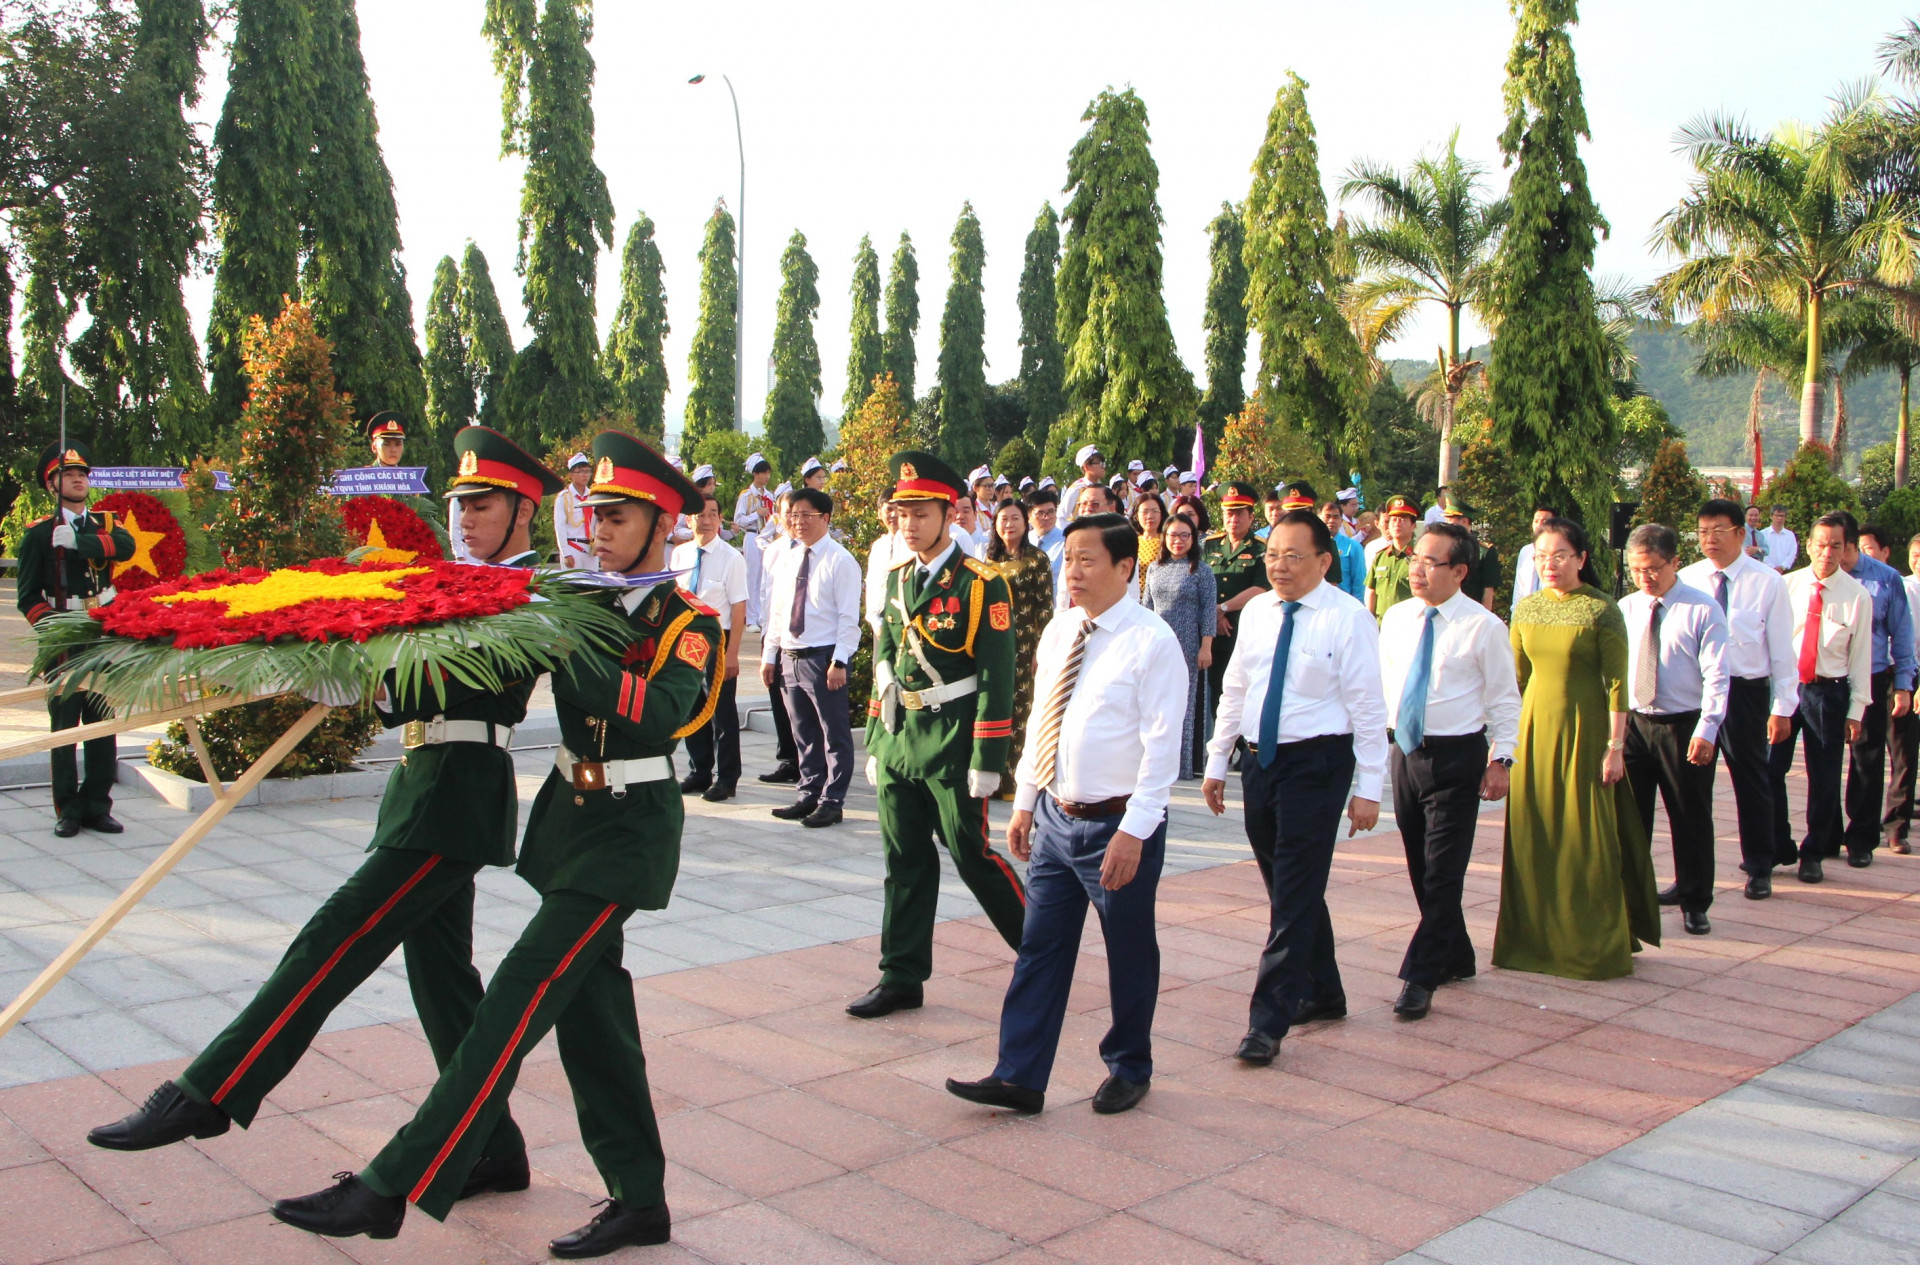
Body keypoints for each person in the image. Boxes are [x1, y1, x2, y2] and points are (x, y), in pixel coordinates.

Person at [88, 426, 565, 1209]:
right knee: (442, 981)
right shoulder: (446, 581)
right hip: (423, 782)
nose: (465, 516)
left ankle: (211, 1087)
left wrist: (373, 684)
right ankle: (494, 1148)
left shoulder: (530, 596)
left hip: (459, 791)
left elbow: (464, 678)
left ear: (524, 511)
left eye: (483, 504)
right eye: (459, 502)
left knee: (333, 934)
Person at [268, 432, 718, 1255]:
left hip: (630, 831)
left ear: (665, 526)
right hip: (569, 824)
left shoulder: (690, 622)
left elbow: (659, 715)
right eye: (598, 514)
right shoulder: (575, 601)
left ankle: (393, 1182)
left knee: (512, 1000)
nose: (603, 529)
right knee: (593, 1013)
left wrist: (563, 643)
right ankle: (639, 1197)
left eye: (621, 517)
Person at [947, 513, 1188, 1116]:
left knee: (1128, 949)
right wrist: (1025, 801)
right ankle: (1020, 1074)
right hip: (1057, 818)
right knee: (1040, 947)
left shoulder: (1152, 642)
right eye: (1069, 558)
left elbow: (1162, 749)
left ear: (1126, 567)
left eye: (1088, 560)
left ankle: (1130, 1065)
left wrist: (1135, 831)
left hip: (1118, 825)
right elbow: (1042, 721)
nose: (1073, 572)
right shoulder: (1060, 632)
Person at [1203, 509, 1386, 1065]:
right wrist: (1217, 761)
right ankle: (1325, 991)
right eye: (1272, 555)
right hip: (1260, 762)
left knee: (1296, 890)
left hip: (1318, 765)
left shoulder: (1348, 617)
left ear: (1325, 561)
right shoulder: (1258, 611)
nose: (1279, 566)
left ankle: (1268, 1021)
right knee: (1288, 887)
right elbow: (1236, 688)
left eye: (1293, 556)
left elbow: (1368, 706)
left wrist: (1370, 786)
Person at [855, 452, 1025, 1018]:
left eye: (920, 512)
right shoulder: (898, 577)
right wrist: (878, 736)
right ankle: (900, 974)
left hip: (954, 741)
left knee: (971, 854)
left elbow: (998, 676)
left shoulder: (982, 584)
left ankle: (1039, 950)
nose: (908, 523)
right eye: (901, 512)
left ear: (950, 513)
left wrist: (988, 756)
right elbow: (887, 651)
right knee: (902, 858)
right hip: (901, 736)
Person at [1495, 517, 1659, 981]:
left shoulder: (1602, 610)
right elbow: (1515, 682)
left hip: (1586, 733)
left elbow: (1616, 685)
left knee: (1585, 838)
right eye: (1542, 556)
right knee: (1535, 835)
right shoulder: (1526, 609)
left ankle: (1593, 943)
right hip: (1532, 734)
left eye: (1560, 555)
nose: (1551, 564)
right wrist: (1502, 744)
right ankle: (1531, 941)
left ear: (1582, 559)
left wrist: (1615, 747)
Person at [1377, 521, 1520, 1020]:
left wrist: (1502, 759)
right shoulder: (1396, 618)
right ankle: (1456, 952)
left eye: (1431, 562)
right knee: (1420, 867)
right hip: (1405, 753)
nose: (1417, 569)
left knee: (1443, 872)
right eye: (1415, 559)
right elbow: (1384, 687)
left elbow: (1506, 699)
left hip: (1457, 757)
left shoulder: (1484, 626)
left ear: (1459, 571)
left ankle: (1421, 976)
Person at [1679, 500, 1800, 899]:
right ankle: (1691, 875)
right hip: (1696, 693)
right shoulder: (1687, 580)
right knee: (1692, 787)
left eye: (1718, 530)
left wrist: (1783, 707)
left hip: (1744, 692)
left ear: (1741, 533)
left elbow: (1782, 651)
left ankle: (1760, 864)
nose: (1709, 539)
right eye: (1702, 532)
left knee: (1753, 778)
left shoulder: (1767, 582)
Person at [16, 441, 136, 836]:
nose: (78, 479)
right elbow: (28, 596)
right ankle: (67, 807)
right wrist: (54, 626)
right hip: (64, 637)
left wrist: (79, 542)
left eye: (82, 474)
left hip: (101, 634)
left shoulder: (104, 525)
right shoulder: (38, 535)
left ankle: (97, 803)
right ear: (52, 485)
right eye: (68, 475)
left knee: (102, 722)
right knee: (66, 726)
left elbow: (126, 547)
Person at [1619, 524, 1730, 938]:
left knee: (1689, 815)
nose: (1644, 578)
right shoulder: (1627, 607)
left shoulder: (1702, 609)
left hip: (1684, 725)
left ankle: (1695, 899)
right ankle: (1632, 901)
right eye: (1635, 570)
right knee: (1631, 818)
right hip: (1634, 724)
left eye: (1652, 569)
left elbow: (1718, 675)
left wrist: (1708, 728)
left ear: (1674, 563)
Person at [1773, 513, 1874, 884]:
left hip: (1828, 693)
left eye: (1835, 545)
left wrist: (1857, 710)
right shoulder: (1786, 585)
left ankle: (1813, 851)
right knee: (1770, 767)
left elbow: (1861, 656)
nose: (1826, 552)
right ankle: (1777, 842)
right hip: (1787, 688)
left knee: (1825, 775)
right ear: (1808, 544)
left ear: (1846, 548)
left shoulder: (1857, 596)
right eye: (1820, 543)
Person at [760, 486, 862, 828]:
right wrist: (770, 654)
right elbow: (778, 611)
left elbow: (849, 618)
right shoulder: (787, 557)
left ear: (826, 519)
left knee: (834, 734)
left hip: (823, 659)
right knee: (802, 733)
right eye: (793, 515)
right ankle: (808, 793)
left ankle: (833, 800)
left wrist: (841, 660)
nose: (798, 522)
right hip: (790, 657)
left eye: (807, 515)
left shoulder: (840, 560)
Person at [1839, 512, 1917, 867]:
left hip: (1873, 677)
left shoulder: (1885, 580)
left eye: (1837, 546)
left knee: (1870, 758)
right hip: (1826, 681)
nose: (1829, 554)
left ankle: (1865, 836)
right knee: (1832, 762)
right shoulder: (1814, 579)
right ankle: (1826, 833)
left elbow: (1902, 636)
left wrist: (1904, 684)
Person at [673, 492, 749, 802]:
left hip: (718, 641)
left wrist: (732, 654)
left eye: (713, 515)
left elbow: (740, 609)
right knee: (691, 709)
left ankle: (727, 777)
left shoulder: (732, 558)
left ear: (720, 520)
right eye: (700, 515)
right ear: (689, 519)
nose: (706, 521)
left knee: (721, 714)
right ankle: (699, 770)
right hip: (686, 641)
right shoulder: (680, 555)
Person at [987, 497, 1055, 797]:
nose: (1009, 524)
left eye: (1015, 518)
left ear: (1025, 523)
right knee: (995, 708)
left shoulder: (1036, 559)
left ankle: (1019, 780)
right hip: (994, 646)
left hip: (1026, 646)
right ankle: (994, 776)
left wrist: (1042, 650)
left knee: (1022, 711)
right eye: (1003, 519)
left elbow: (1045, 608)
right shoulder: (989, 561)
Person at [1142, 513, 1218, 779]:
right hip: (1159, 643)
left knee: (1185, 703)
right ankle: (1156, 761)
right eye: (1173, 535)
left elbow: (1208, 610)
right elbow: (1147, 607)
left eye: (1184, 535)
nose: (1178, 541)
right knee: (1156, 700)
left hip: (1188, 643)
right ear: (1164, 538)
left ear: (1193, 538)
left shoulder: (1201, 570)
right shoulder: (1154, 568)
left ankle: (1184, 764)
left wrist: (1206, 646)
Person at [1203, 483, 1271, 734]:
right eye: (1229, 513)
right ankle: (1224, 742)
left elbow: (1261, 588)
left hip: (1245, 628)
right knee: (1218, 688)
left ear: (1252, 517)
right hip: (1215, 631)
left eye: (1240, 513)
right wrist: (1215, 612)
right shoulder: (1209, 545)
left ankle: (1245, 743)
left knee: (1248, 687)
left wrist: (1224, 607)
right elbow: (1201, 582)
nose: (1234, 519)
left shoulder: (1261, 548)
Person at [755, 489, 802, 786]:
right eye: (786, 513)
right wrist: (765, 638)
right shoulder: (773, 550)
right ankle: (788, 759)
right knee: (778, 698)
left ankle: (811, 760)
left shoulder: (817, 550)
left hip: (804, 639)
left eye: (796, 513)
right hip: (774, 634)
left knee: (803, 704)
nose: (791, 519)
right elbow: (765, 595)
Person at [1892, 532, 1920, 855]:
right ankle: (1896, 824)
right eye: (1914, 554)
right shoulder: (1903, 586)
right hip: (1905, 672)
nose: (1917, 560)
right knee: (1903, 751)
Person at [734, 454, 776, 628]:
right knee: (752, 576)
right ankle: (750, 618)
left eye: (768, 473)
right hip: (752, 535)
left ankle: (760, 616)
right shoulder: (746, 495)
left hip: (765, 537)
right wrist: (755, 514)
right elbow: (738, 520)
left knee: (763, 576)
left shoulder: (770, 495)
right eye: (763, 473)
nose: (766, 477)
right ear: (755, 474)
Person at [1441, 494, 1500, 610]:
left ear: (1464, 521)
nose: (1447, 523)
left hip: (1472, 613)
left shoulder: (1484, 551)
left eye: (1450, 519)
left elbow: (1488, 590)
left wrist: (1484, 619)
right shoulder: (1444, 548)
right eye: (1446, 519)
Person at [1366, 495, 1419, 622]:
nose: (1397, 524)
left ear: (1413, 526)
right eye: (1393, 520)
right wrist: (1369, 619)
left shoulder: (1419, 557)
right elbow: (1371, 591)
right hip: (1380, 625)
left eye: (1403, 520)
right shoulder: (1380, 557)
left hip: (1409, 624)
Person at [865, 497, 909, 634]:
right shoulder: (879, 546)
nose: (894, 515)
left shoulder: (913, 544)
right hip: (879, 622)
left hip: (905, 622)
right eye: (889, 509)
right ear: (879, 513)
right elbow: (872, 585)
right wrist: (874, 620)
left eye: (898, 510)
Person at [1509, 505, 1556, 617]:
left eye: (1544, 521)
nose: (1539, 525)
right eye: (1536, 521)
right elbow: (1519, 587)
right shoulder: (1526, 551)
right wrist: (1515, 614)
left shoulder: (1559, 552)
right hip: (1526, 614)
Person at [553, 453, 596, 569]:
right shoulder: (564, 497)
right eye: (580, 472)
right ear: (571, 474)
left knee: (593, 586)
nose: (585, 475)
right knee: (573, 584)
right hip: (573, 547)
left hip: (592, 549)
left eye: (587, 471)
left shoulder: (594, 496)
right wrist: (565, 553)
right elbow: (560, 527)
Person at [1321, 499, 1367, 603]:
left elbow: (1359, 582)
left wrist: (1357, 607)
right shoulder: (1311, 545)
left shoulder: (1353, 546)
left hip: (1342, 604)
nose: (1332, 520)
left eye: (1336, 517)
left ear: (1341, 521)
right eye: (1327, 516)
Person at [1028, 486, 1065, 598]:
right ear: (1029, 516)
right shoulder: (1023, 541)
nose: (1046, 517)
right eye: (1040, 513)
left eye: (1051, 512)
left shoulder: (1066, 541)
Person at [1130, 493, 1167, 595]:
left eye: (1155, 511)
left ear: (1161, 514)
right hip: (1134, 599)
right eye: (1145, 512)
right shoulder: (1130, 542)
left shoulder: (1167, 542)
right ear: (1136, 516)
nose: (1150, 516)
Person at [1062, 444, 1106, 520]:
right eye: (1099, 463)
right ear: (1086, 467)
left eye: (1103, 463)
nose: (1103, 467)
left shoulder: (1103, 489)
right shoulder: (1077, 489)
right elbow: (1060, 517)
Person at [1762, 506, 1798, 573]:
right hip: (1766, 571)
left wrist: (1782, 567)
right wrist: (1772, 567)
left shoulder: (1790, 535)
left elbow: (1792, 553)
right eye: (1777, 515)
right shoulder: (1763, 534)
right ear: (1771, 516)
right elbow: (1761, 553)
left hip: (1785, 571)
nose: (1779, 518)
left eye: (1782, 516)